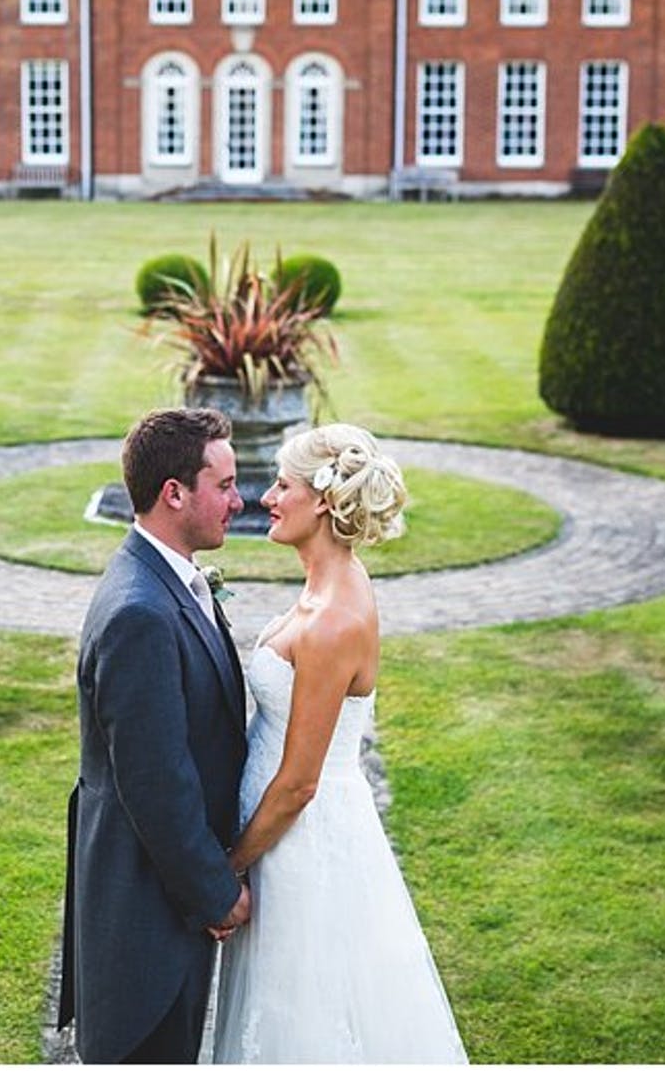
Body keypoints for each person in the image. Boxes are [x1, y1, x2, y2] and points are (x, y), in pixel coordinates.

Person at [211, 423, 467, 1064]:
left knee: (302, 1017)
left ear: (322, 500)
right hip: (287, 836)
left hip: (301, 846)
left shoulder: (331, 623)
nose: (265, 498)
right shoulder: (331, 585)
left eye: (282, 485)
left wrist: (229, 866)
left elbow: (300, 781)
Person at [58, 407, 252, 1063]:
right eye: (224, 485)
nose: (239, 498)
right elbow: (155, 782)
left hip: (163, 903)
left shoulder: (168, 580)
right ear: (175, 493)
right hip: (146, 917)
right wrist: (217, 895)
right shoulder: (140, 613)